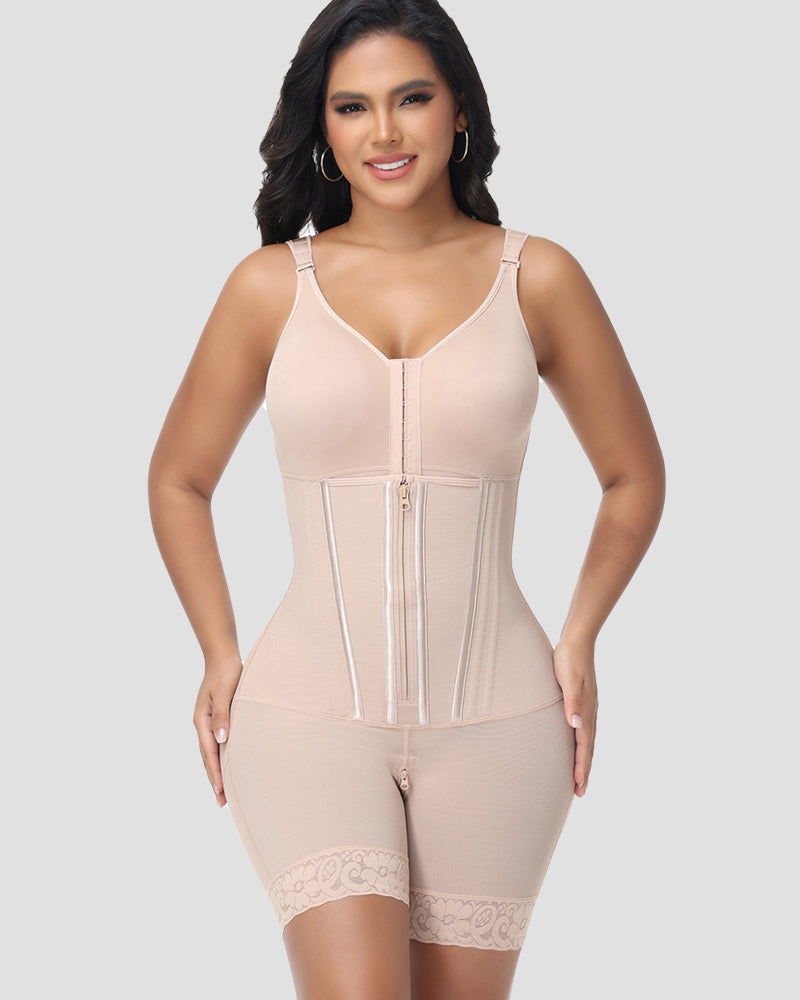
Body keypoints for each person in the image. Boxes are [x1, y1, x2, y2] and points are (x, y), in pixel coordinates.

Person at [148, 0, 666, 995]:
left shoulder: (538, 277)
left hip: (503, 719)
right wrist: (217, 648)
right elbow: (179, 478)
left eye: (411, 99)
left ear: (459, 110)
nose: (383, 132)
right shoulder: (269, 287)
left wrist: (580, 635)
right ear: (322, 126)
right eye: (351, 107)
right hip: (305, 718)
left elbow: (632, 475)